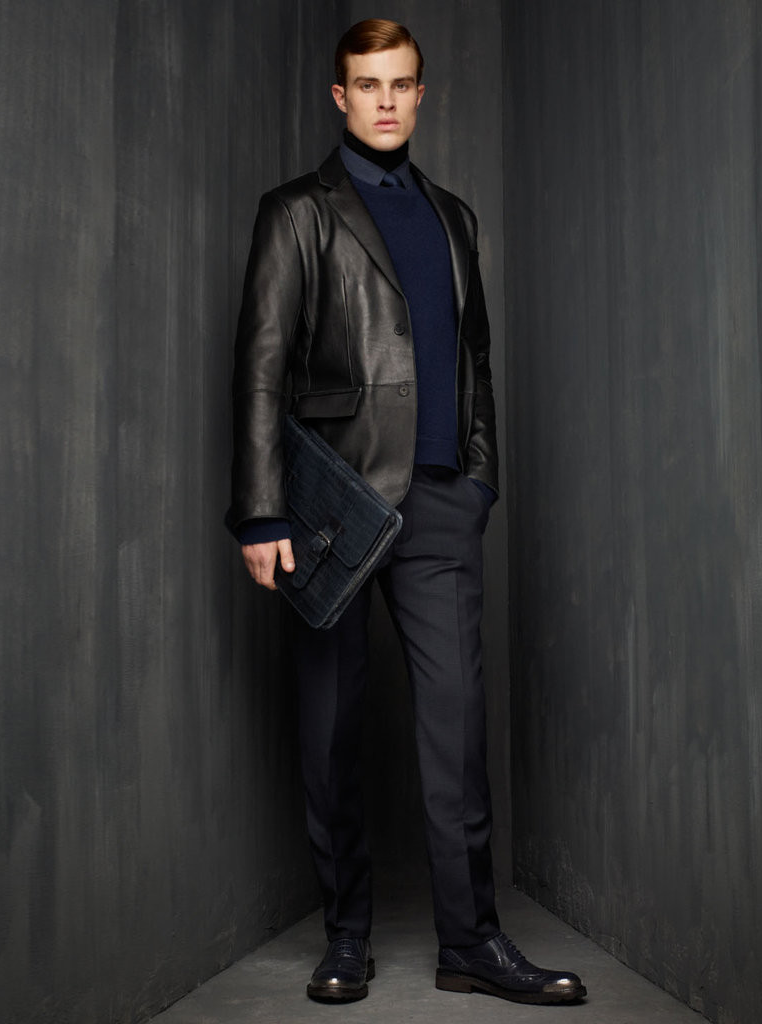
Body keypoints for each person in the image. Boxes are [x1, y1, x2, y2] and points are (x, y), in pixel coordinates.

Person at [226, 18, 586, 1007]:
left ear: (421, 96)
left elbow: (477, 363)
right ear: (340, 97)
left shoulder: (454, 217)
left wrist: (479, 480)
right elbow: (260, 368)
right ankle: (346, 937)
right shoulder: (297, 213)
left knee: (456, 735)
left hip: (437, 508)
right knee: (331, 732)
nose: (385, 101)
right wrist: (260, 515)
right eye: (367, 85)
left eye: (401, 85)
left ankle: (471, 942)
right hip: (330, 511)